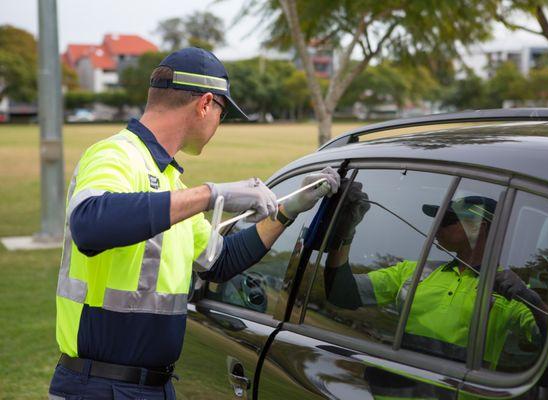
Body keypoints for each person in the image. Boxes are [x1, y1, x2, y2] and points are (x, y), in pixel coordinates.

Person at [49, 47, 340, 399]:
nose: (219, 124)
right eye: (222, 112)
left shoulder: (171, 185)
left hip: (153, 386)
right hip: (98, 386)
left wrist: (287, 209)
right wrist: (210, 194)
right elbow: (91, 224)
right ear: (205, 104)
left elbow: (221, 260)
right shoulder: (115, 154)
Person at [324, 182, 548, 371]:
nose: (436, 226)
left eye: (447, 220)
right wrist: (345, 233)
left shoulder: (510, 289)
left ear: (477, 227)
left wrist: (532, 300)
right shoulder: (416, 271)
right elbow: (341, 293)